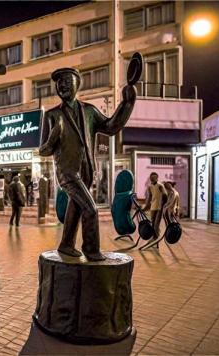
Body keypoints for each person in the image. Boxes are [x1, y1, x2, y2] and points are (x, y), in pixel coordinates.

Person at [39, 67, 136, 260]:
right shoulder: (52, 115)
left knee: (74, 209)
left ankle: (66, 245)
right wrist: (53, 138)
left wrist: (127, 104)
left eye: (66, 81)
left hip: (87, 172)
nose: (62, 85)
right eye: (59, 83)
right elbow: (43, 151)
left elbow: (110, 127)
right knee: (90, 210)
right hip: (67, 172)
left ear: (77, 84)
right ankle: (91, 250)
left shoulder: (89, 111)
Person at [144, 172, 168, 238]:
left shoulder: (160, 185)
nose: (152, 179)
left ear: (157, 178)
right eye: (151, 177)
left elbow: (165, 194)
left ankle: (156, 237)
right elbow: (149, 198)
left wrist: (163, 203)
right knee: (152, 223)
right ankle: (154, 236)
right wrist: (145, 207)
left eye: (154, 177)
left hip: (159, 207)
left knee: (156, 224)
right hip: (153, 207)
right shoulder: (150, 187)